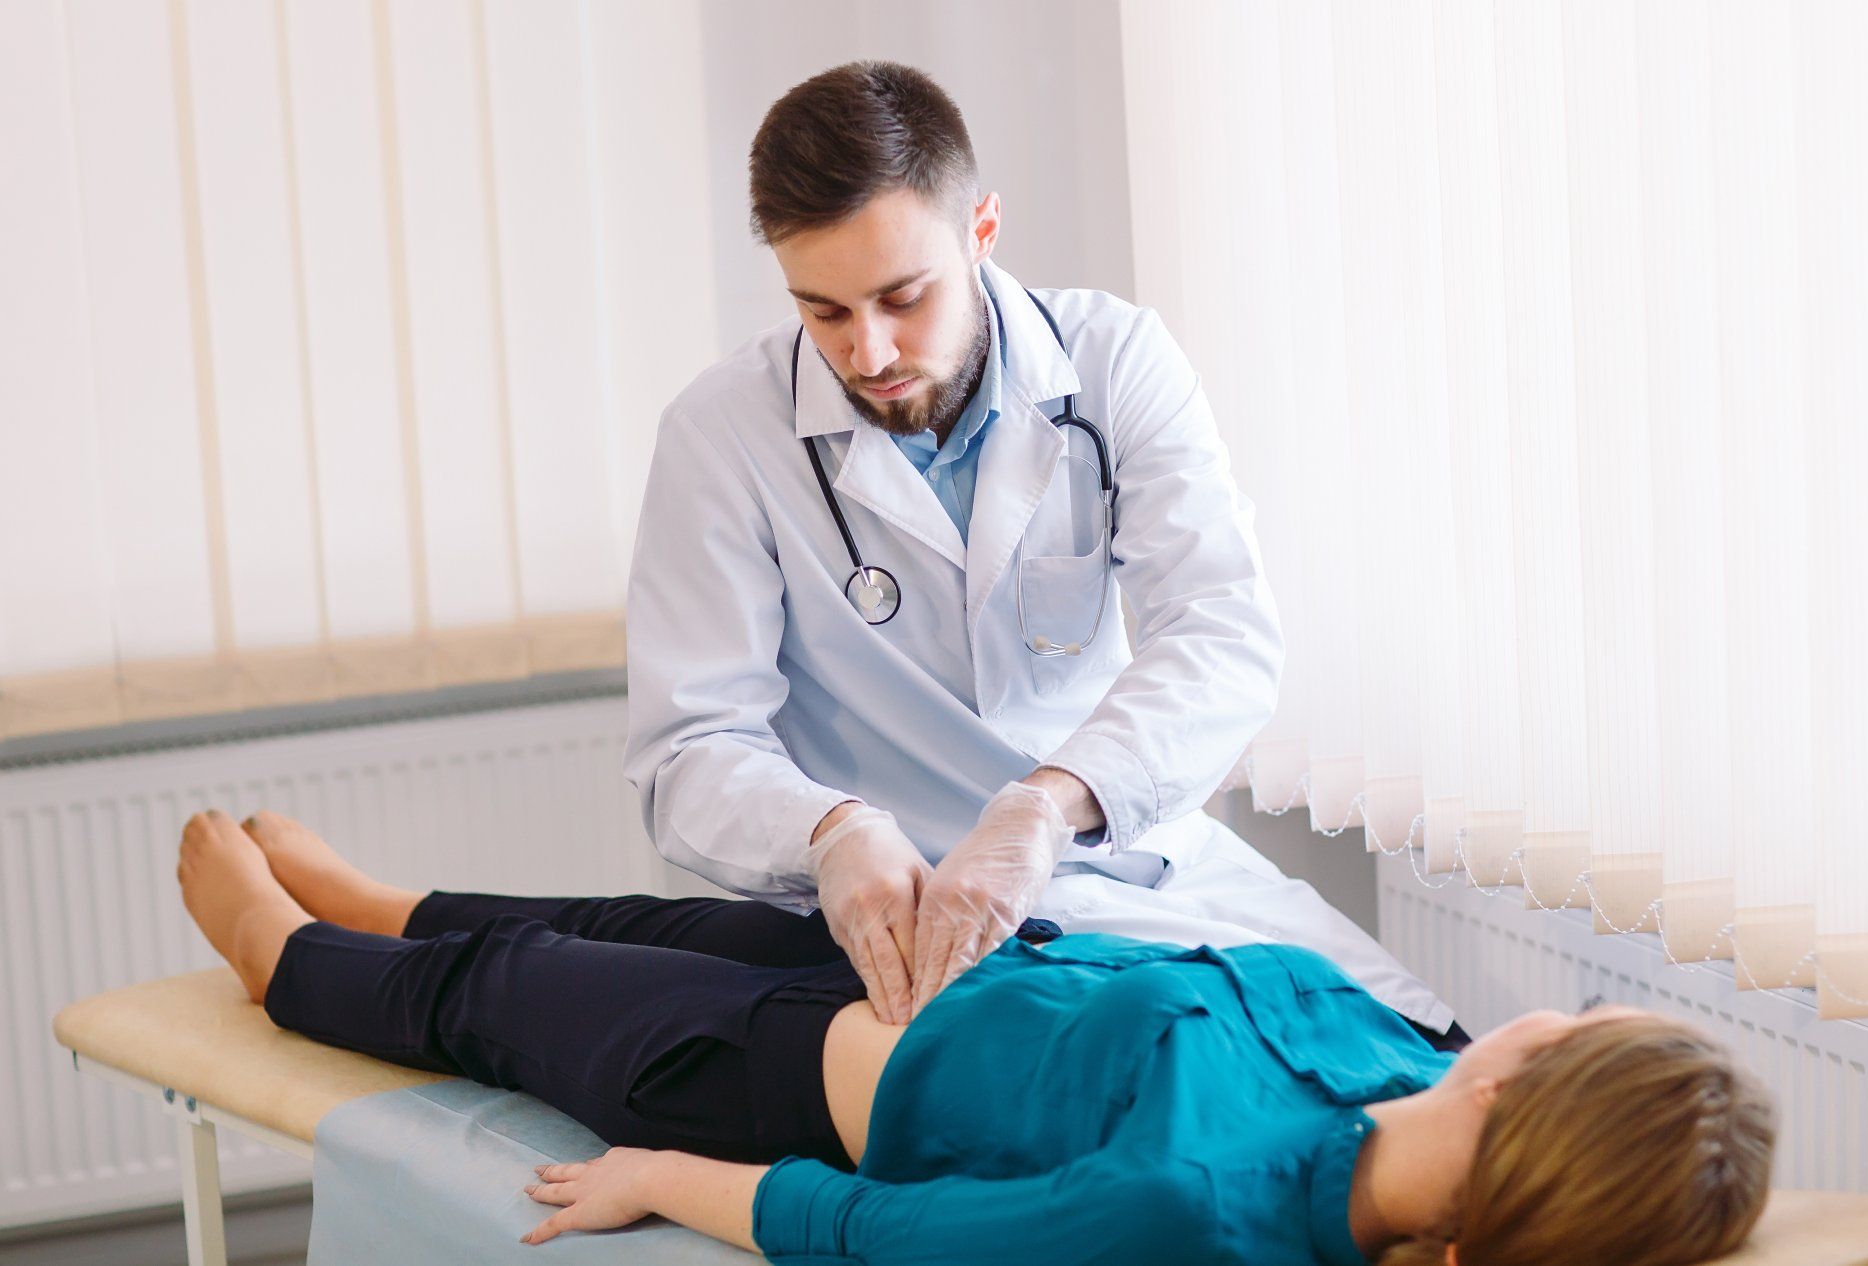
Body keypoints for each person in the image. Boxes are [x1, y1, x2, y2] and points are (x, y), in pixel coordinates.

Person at [624, 58, 1455, 1039]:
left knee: (1432, 1050)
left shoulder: (1113, 361)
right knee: (1203, 1079)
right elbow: (691, 748)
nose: (872, 354)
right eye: (827, 313)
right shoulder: (722, 435)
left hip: (1132, 852)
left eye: (904, 297)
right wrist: (830, 831)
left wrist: (1046, 808)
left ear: (981, 230)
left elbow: (1220, 633)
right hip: (903, 915)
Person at [178, 808, 1774, 1266]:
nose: (1557, 1006)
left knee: (514, 989)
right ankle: (388, 899)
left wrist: (672, 1176)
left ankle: (283, 960)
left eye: (1592, 1018)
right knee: (629, 913)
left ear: (1529, 1084)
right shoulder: (1404, 1058)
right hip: (933, 959)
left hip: (777, 1074)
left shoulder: (1205, 1207)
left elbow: (891, 1227)